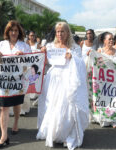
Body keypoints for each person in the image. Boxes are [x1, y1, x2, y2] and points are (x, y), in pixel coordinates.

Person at [36, 22, 89, 150]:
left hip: (69, 80)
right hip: (53, 79)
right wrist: (42, 54)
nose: (60, 34)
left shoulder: (75, 47)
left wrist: (73, 58)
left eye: (62, 31)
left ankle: (67, 134)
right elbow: (46, 63)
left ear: (67, 33)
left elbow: (82, 64)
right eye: (58, 31)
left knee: (68, 107)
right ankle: (55, 133)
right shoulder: (50, 46)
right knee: (53, 106)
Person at [0, 20, 31, 149]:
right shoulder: (1, 44)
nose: (14, 33)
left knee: (16, 104)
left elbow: (29, 65)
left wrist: (23, 56)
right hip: (3, 80)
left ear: (19, 32)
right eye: (11, 30)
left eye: (16, 30)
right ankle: (4, 135)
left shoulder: (24, 46)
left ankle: (16, 122)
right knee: (3, 107)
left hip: (18, 81)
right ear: (7, 32)